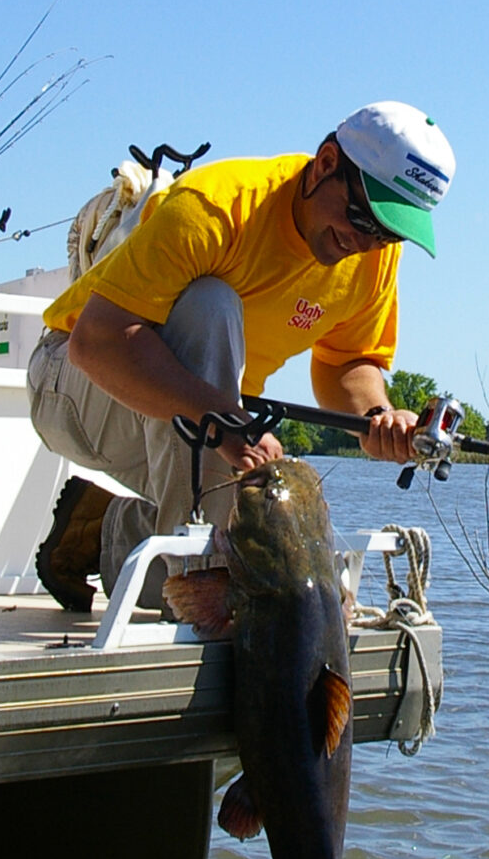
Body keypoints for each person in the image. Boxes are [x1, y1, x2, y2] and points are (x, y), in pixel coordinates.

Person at [26, 102, 456, 609]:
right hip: (72, 385)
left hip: (192, 412)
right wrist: (226, 419)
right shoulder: (216, 206)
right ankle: (199, 588)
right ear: (325, 164)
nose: (363, 242)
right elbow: (95, 341)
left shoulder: (372, 255)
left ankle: (102, 532)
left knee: (253, 508)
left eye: (387, 230)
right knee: (211, 304)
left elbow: (347, 364)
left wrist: (378, 418)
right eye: (362, 216)